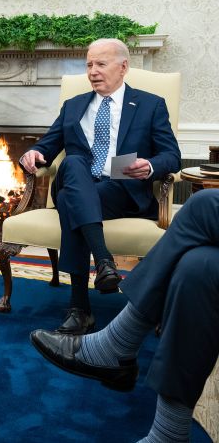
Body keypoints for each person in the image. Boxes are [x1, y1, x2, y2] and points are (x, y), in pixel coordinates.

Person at [30, 189, 219, 443]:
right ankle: (168, 434)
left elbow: (169, 157)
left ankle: (115, 345)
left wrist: (149, 167)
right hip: (94, 191)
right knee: (196, 269)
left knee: (203, 204)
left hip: (128, 194)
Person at [19, 38, 180, 334]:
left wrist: (150, 166)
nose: (93, 71)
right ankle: (104, 261)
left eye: (101, 64)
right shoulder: (74, 105)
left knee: (71, 199)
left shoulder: (149, 105)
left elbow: (172, 155)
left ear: (123, 67)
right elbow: (48, 145)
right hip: (79, 176)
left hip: (121, 185)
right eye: (89, 64)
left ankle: (80, 309)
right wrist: (34, 153)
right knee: (74, 163)